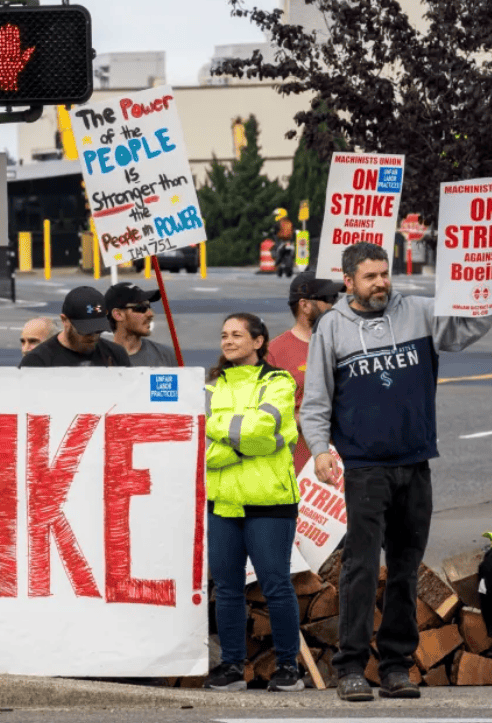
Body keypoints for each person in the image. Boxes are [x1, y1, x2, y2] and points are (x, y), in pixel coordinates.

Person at [301, 241, 492, 702]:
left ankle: (395, 667)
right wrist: (320, 450)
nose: (381, 283)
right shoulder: (332, 327)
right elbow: (316, 400)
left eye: (384, 273)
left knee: (406, 570)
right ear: (349, 281)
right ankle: (350, 666)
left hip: (415, 463)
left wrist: (479, 293)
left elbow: (464, 330)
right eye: (370, 276)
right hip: (364, 468)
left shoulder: (419, 312)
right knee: (361, 569)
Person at [201, 313, 304, 693]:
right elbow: (203, 446)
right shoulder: (211, 386)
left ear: (259, 342)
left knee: (276, 585)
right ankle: (231, 666)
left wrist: (219, 433)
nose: (228, 341)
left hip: (269, 501)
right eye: (224, 335)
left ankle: (289, 667)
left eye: (237, 335)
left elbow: (266, 430)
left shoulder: (279, 382)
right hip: (223, 502)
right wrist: (244, 444)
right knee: (226, 589)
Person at [265, 272, 342, 473]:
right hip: (299, 466)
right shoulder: (275, 352)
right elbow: (265, 413)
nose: (334, 305)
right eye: (329, 299)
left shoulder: (345, 343)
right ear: (305, 305)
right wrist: (312, 419)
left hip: (347, 461)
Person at [19, 286, 130, 367]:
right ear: (65, 321)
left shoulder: (115, 354)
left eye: (98, 330)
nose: (93, 336)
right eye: (86, 331)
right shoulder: (37, 361)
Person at [104, 282, 175, 366]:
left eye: (149, 307)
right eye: (141, 308)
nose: (150, 314)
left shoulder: (166, 356)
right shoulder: (97, 361)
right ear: (118, 315)